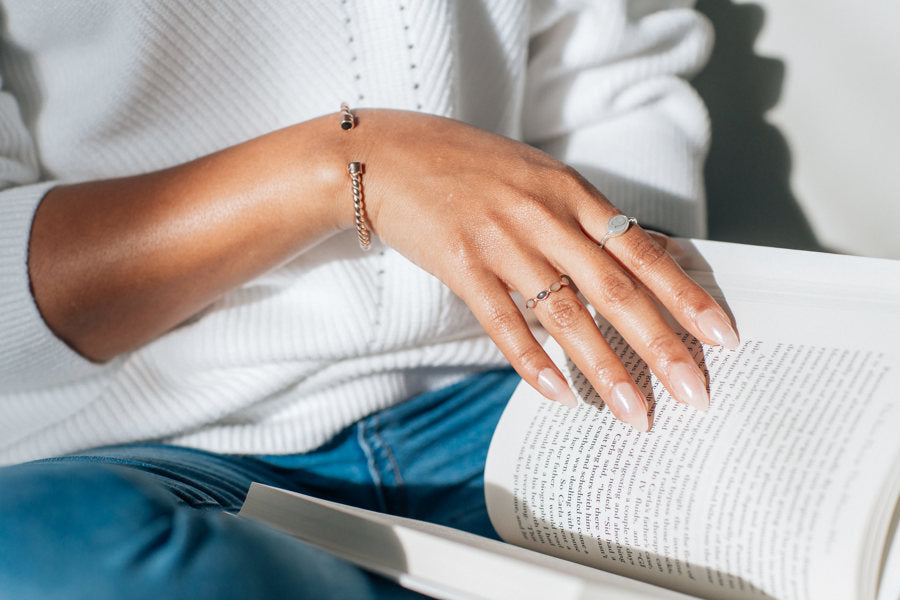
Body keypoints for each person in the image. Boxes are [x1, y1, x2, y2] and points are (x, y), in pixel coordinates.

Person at [0, 1, 737, 598]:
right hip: (158, 450)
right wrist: (350, 164)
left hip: (525, 399)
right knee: (45, 566)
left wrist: (614, 280)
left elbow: (617, 81)